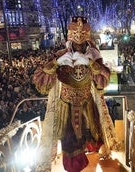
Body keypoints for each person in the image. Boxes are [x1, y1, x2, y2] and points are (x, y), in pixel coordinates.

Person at [32, 16, 119, 172]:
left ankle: (91, 159)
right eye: (75, 38)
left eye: (83, 39)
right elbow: (41, 82)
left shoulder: (94, 55)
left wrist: (91, 64)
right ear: (70, 37)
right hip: (66, 107)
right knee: (71, 147)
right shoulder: (60, 55)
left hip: (87, 104)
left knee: (91, 136)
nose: (79, 43)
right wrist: (56, 63)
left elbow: (102, 83)